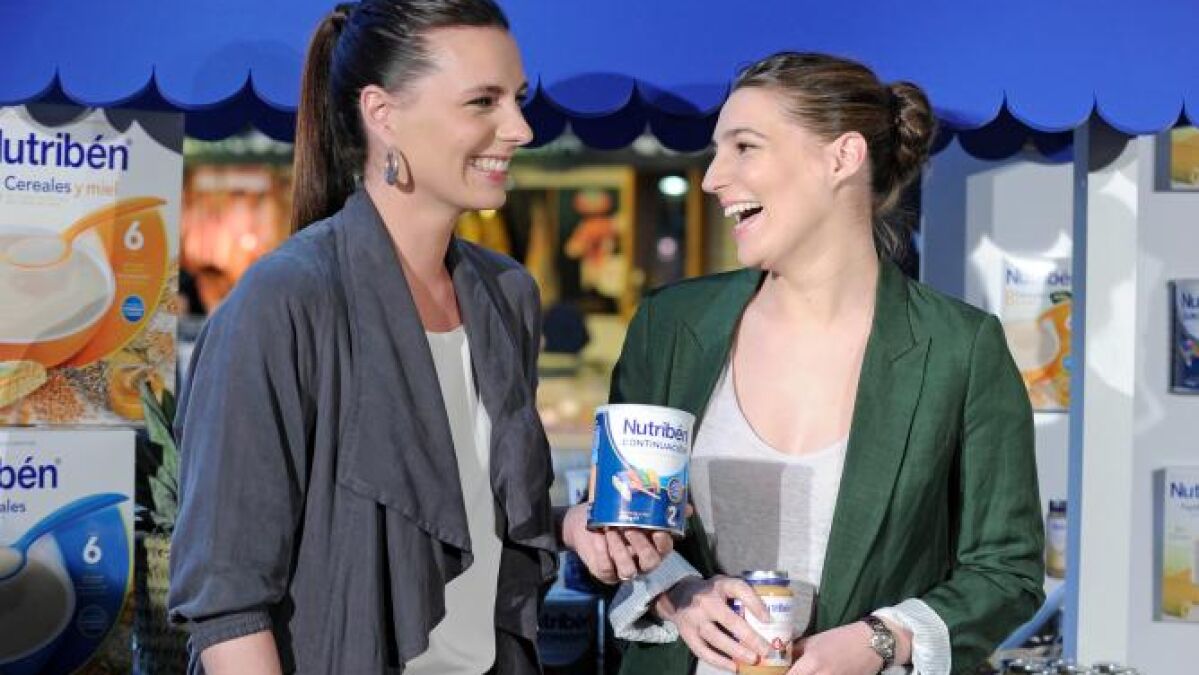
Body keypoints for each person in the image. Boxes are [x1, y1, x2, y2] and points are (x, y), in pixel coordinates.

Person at [167, 2, 671, 673]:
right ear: (383, 114)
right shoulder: (285, 300)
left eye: (517, 99)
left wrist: (567, 525)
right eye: (482, 102)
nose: (520, 129)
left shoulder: (506, 295)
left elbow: (458, 513)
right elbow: (227, 603)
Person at [606, 52, 1044, 675]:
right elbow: (621, 528)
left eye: (745, 147)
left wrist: (880, 640)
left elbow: (1005, 572)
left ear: (842, 158)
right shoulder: (672, 325)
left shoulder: (959, 348)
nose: (712, 178)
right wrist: (676, 592)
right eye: (717, 150)